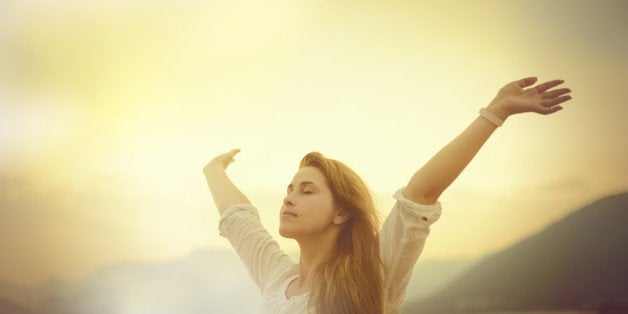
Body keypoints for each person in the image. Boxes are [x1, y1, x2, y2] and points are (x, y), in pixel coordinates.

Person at [203, 76, 572, 314]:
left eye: (306, 190)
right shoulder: (277, 277)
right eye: (289, 189)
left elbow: (421, 193)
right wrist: (213, 169)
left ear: (341, 213)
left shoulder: (372, 272)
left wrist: (495, 113)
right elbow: (239, 220)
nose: (288, 198)